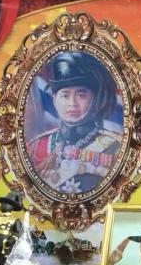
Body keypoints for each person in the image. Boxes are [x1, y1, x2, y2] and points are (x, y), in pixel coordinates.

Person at [27, 51, 121, 194]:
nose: (72, 103)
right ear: (54, 100)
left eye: (81, 95)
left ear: (93, 99)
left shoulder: (115, 147)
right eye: (65, 96)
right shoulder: (35, 147)